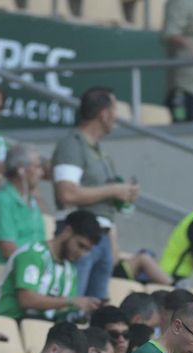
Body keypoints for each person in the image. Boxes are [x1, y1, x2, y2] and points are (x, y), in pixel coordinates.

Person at [50, 87, 134, 301]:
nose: (117, 117)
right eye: (115, 111)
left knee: (95, 311)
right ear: (104, 114)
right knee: (72, 306)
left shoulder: (98, 150)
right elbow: (66, 194)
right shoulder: (72, 145)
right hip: (78, 237)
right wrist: (114, 190)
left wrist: (111, 238)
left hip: (101, 237)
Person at [0, 209, 101, 323]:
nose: (81, 253)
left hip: (43, 325)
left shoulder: (71, 270)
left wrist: (82, 312)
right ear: (68, 231)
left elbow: (61, 309)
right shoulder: (32, 254)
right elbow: (26, 300)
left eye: (86, 250)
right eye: (80, 245)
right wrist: (72, 301)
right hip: (12, 322)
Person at [0, 144, 46, 264]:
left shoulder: (31, 201)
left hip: (32, 268)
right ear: (21, 170)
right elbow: (8, 249)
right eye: (37, 167)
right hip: (7, 270)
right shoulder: (1, 202)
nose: (41, 173)